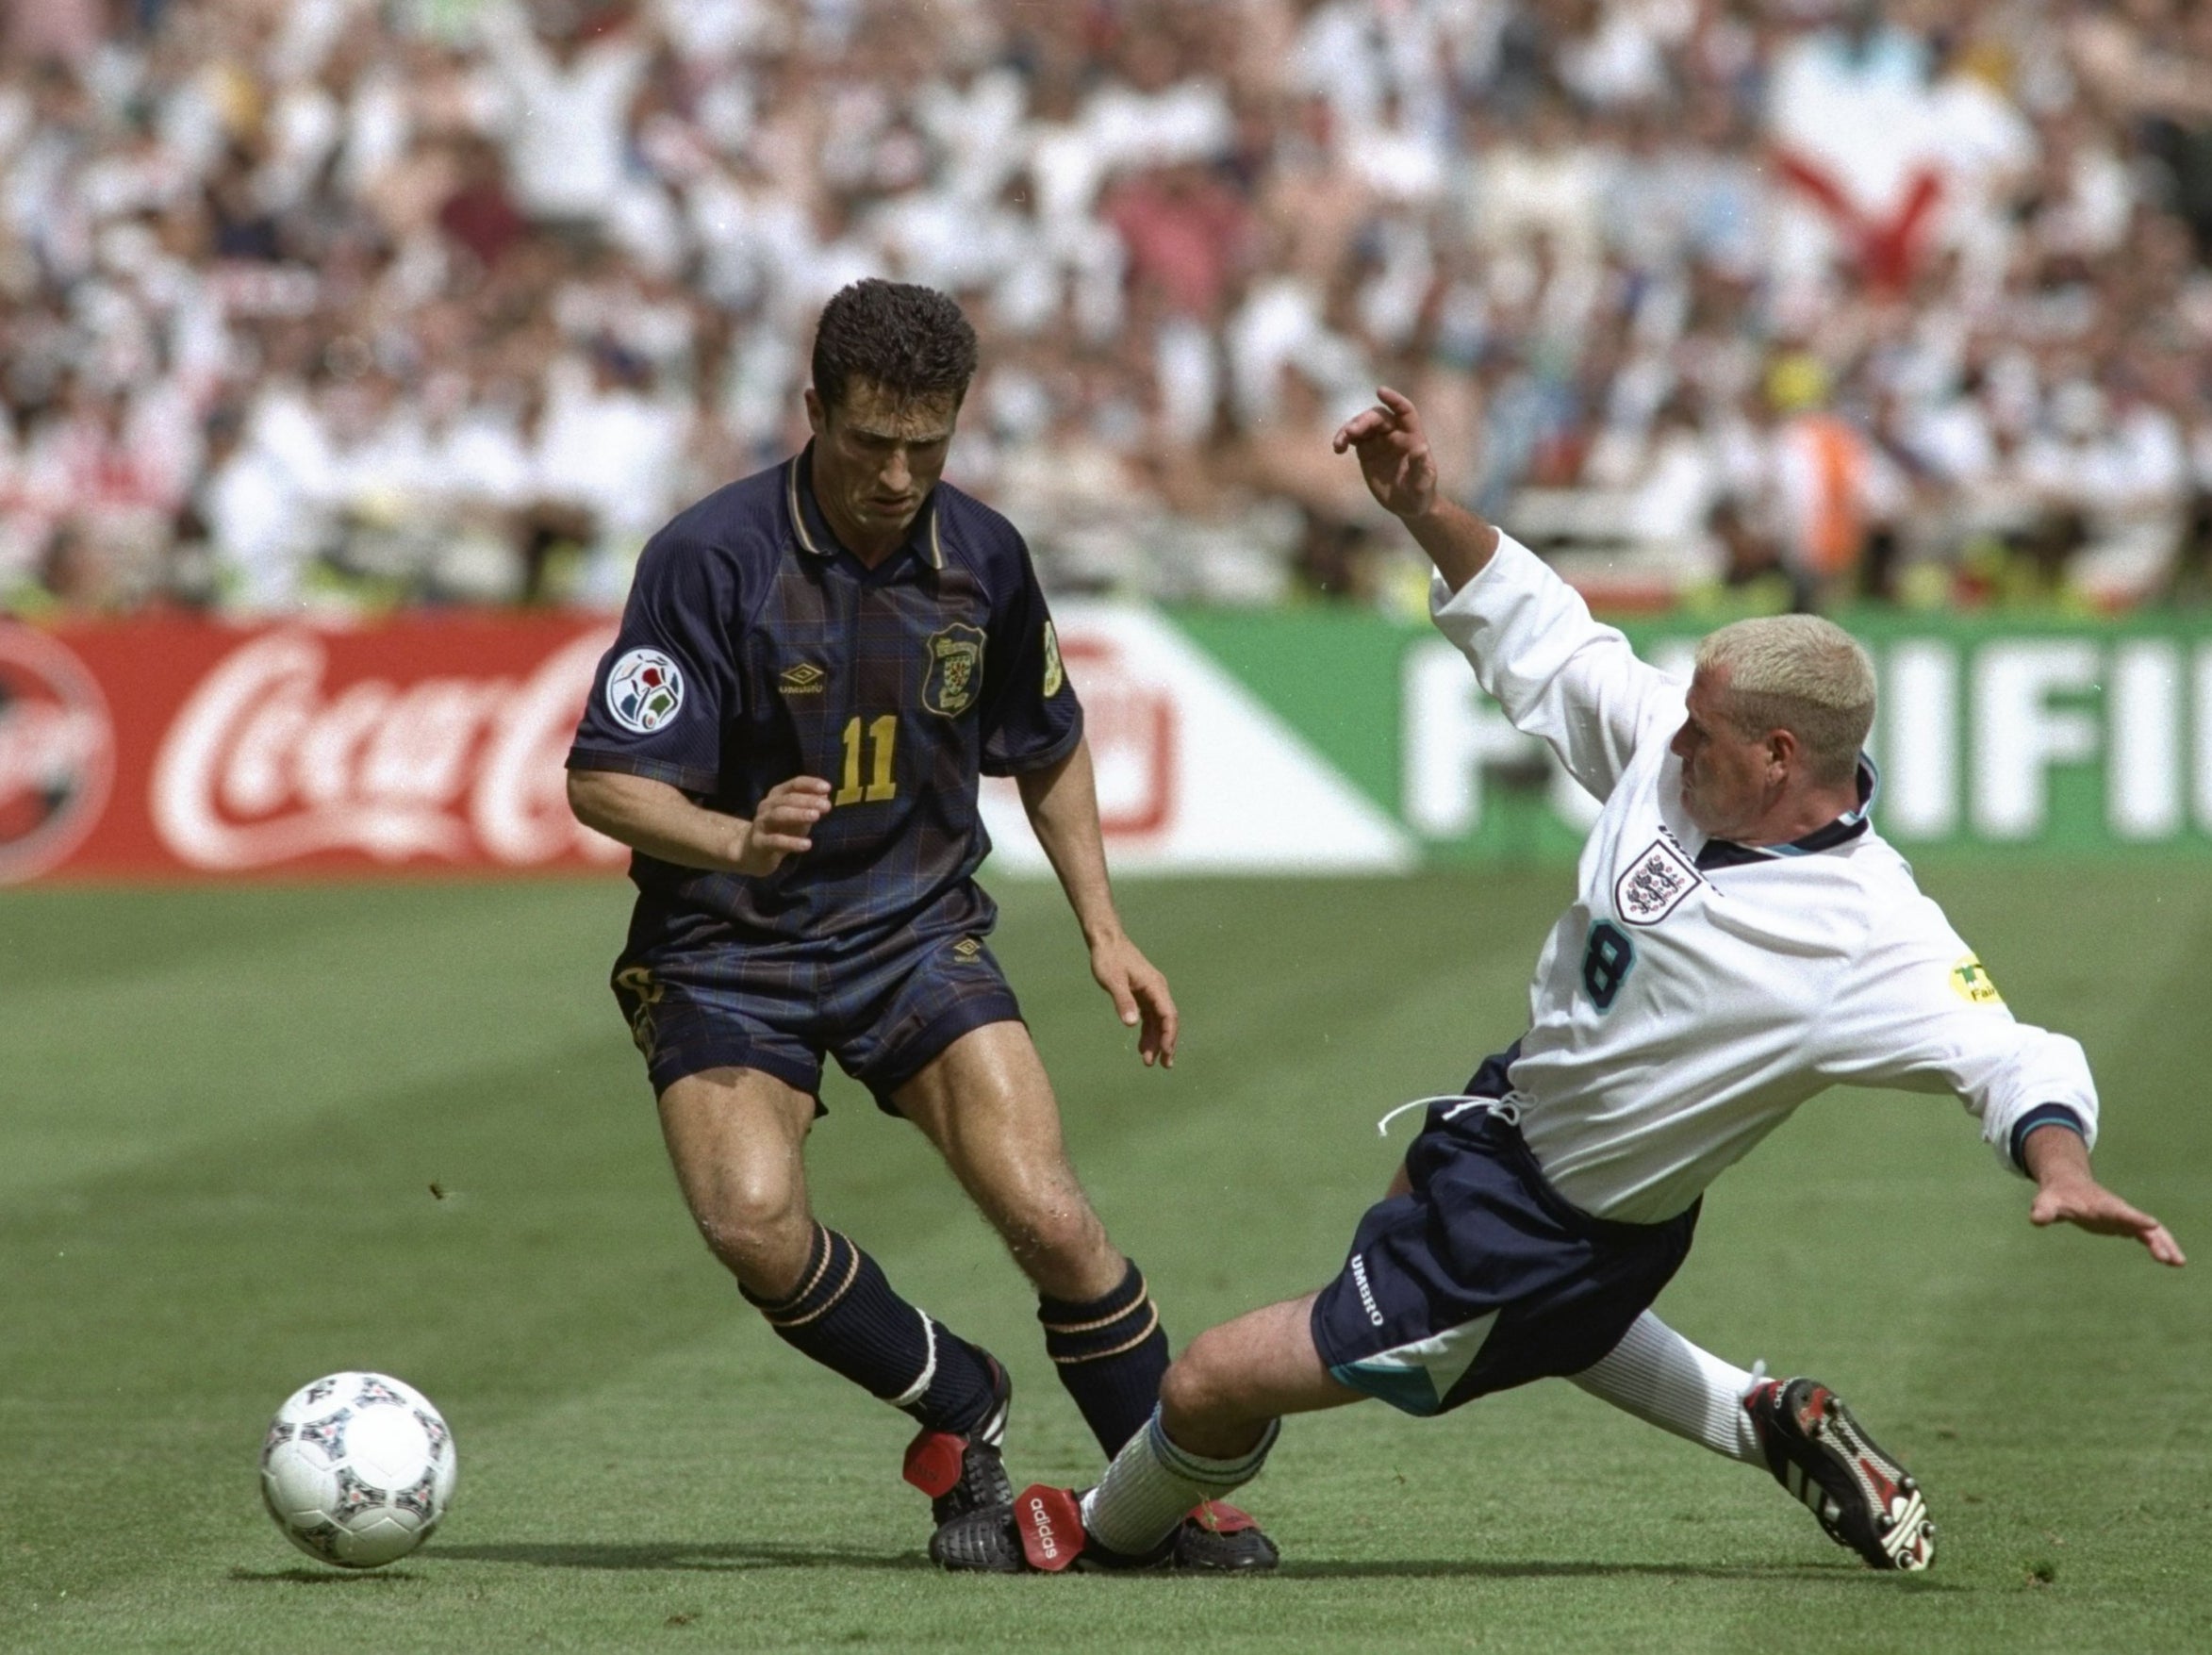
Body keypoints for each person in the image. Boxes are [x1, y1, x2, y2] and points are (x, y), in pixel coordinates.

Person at [930, 387, 2187, 1576]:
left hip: (1537, 1238)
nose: (1671, 733)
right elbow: (1539, 623)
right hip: (1510, 1122)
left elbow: (2010, 1053)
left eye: (1702, 728)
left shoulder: (1867, 934)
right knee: (1512, 1288)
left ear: (1779, 754)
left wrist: (2059, 1165)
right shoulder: (1672, 750)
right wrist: (1420, 502)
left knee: (1207, 1377)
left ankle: (1110, 1532)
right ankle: (1764, 1419)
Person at [564, 279, 1275, 1569]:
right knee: (750, 1225)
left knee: (1052, 1219)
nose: (898, 475)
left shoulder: (985, 556)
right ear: (812, 412)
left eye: (927, 445)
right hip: (726, 946)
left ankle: (1162, 1506)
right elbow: (602, 777)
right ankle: (958, 1400)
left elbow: (1048, 746)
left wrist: (1103, 929)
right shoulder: (707, 557)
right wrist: (733, 838)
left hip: (912, 929)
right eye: (869, 442)